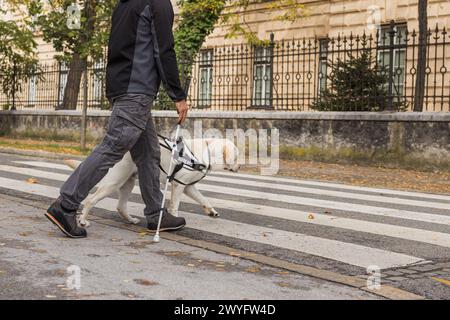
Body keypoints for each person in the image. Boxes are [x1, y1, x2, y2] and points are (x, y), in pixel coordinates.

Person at [45, 0, 189, 238]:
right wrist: (178, 95)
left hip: (124, 87)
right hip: (137, 90)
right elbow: (164, 49)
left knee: (148, 153)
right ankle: (65, 204)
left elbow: (117, 50)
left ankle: (156, 214)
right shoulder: (158, 3)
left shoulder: (124, 5)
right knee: (113, 146)